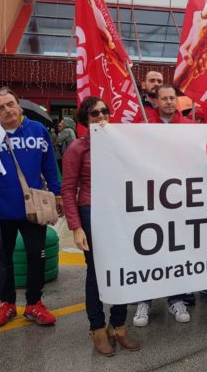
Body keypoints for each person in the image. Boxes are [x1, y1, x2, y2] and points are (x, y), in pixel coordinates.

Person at [0, 88, 62, 328]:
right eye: (0, 108)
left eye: (10, 104)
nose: (7, 110)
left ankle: (34, 304)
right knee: (2, 259)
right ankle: (7, 304)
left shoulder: (38, 131)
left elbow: (50, 167)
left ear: (19, 105)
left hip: (33, 210)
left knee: (37, 257)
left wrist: (57, 195)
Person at [62, 97, 140, 356]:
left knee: (124, 268)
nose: (101, 117)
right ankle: (96, 329)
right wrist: (76, 227)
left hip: (122, 213)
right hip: (91, 213)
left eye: (105, 111)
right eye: (95, 113)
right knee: (96, 272)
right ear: (85, 119)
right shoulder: (76, 148)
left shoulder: (121, 144)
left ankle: (117, 326)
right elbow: (68, 189)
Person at [133, 84, 193, 326]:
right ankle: (143, 301)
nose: (169, 102)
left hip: (179, 200)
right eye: (164, 98)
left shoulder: (191, 128)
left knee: (176, 249)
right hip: (148, 198)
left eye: (172, 98)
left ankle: (175, 299)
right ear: (155, 102)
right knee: (148, 247)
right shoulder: (142, 125)